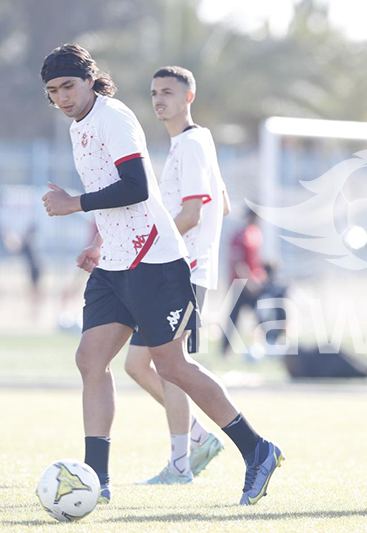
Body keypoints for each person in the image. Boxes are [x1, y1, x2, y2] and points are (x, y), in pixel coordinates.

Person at [40, 44, 282, 506]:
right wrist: (97, 241)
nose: (63, 98)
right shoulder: (79, 126)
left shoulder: (114, 117)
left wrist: (73, 204)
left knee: (172, 367)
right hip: (115, 262)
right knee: (91, 361)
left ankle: (257, 450)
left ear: (90, 79)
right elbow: (111, 196)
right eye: (53, 92)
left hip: (154, 261)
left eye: (69, 86)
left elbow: (136, 187)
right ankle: (97, 479)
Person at [123, 66, 231, 485]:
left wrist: (148, 246)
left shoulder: (191, 145)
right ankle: (199, 437)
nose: (158, 99)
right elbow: (222, 204)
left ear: (190, 96)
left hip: (183, 272)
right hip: (176, 268)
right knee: (137, 365)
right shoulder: (191, 144)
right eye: (153, 92)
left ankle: (180, 466)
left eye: (167, 92)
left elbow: (193, 213)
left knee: (172, 366)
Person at [221, 211, 266, 357]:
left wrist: (260, 277)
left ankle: (268, 346)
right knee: (233, 318)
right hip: (239, 284)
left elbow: (255, 260)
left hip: (253, 283)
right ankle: (225, 350)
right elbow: (238, 262)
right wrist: (248, 282)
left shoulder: (256, 233)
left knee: (262, 314)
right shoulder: (240, 235)